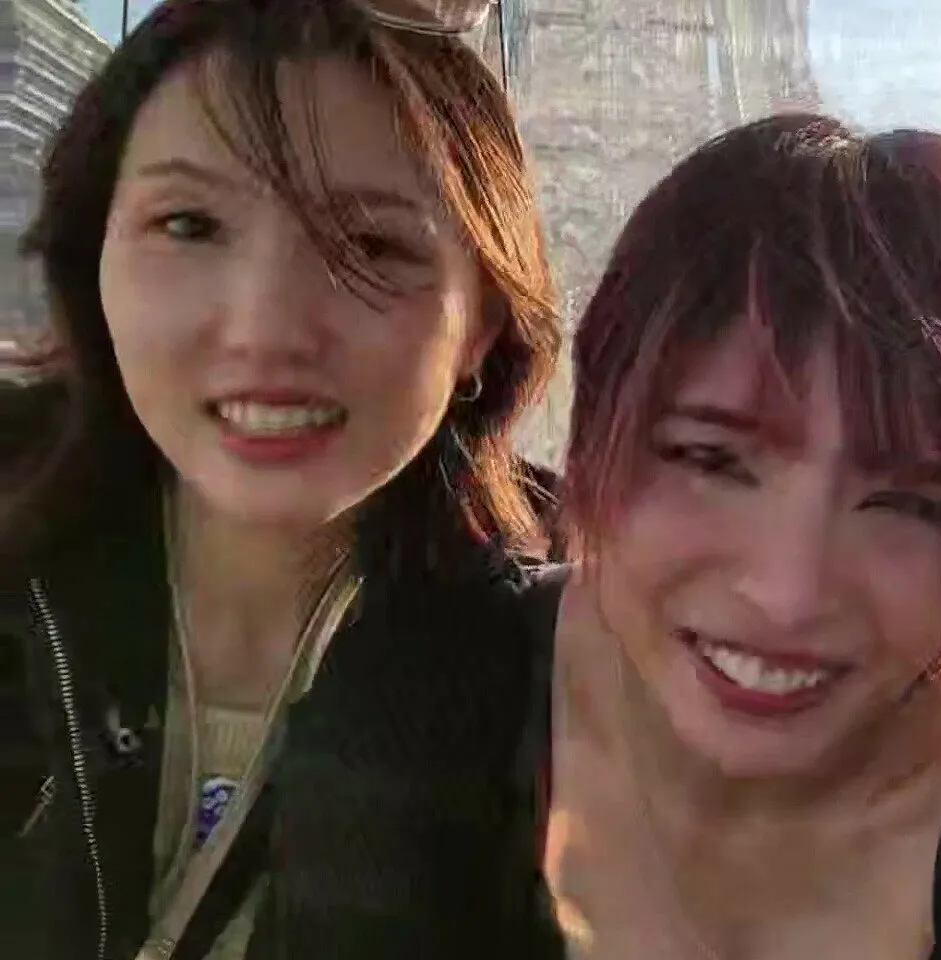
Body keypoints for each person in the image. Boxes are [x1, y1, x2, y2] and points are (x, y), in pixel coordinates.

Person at [528, 113, 941, 959]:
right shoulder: (448, 680)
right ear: (593, 439)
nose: (789, 593)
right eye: (712, 459)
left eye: (906, 503)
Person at [0, 1, 562, 958]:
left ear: (483, 323)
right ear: (93, 256)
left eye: (371, 247)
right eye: (189, 224)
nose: (264, 328)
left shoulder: (563, 688)